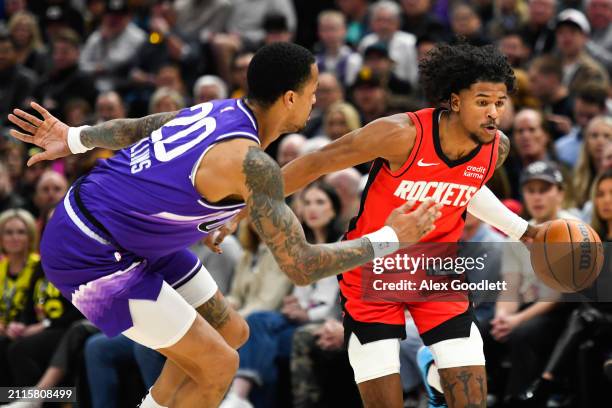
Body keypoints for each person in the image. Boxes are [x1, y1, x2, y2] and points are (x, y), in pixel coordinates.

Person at [7, 42, 438, 408]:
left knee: (233, 331)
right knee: (218, 364)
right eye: (311, 91)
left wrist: (76, 137)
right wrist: (391, 237)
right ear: (290, 98)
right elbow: (302, 266)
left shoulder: (220, 110)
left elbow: (144, 126)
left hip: (126, 231)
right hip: (87, 252)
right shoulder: (251, 164)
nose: (315, 101)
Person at [281, 42, 544, 408]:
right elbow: (317, 162)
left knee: (471, 401)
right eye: (482, 102)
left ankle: (435, 375)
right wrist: (243, 206)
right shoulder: (400, 134)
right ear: (454, 101)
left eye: (500, 103)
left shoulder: (496, 148)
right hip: (372, 270)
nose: (494, 113)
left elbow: (467, 186)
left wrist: (523, 231)